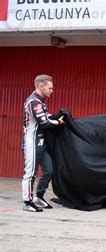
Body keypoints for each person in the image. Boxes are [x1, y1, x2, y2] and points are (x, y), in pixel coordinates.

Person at [22, 74, 64, 212]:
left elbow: (46, 117)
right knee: (30, 173)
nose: (52, 91)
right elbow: (45, 122)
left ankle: (39, 196)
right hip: (31, 142)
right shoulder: (33, 101)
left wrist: (55, 117)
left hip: (41, 142)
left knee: (49, 169)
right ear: (41, 86)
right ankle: (27, 202)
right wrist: (58, 121)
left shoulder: (41, 101)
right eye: (50, 88)